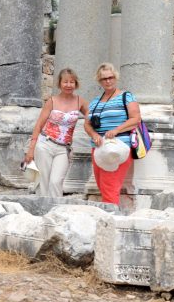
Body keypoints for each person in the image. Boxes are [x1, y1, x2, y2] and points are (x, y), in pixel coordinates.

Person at [23, 68, 89, 197]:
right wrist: (31, 150)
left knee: (56, 181)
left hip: (63, 148)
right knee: (43, 180)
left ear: (76, 84)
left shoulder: (80, 101)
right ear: (59, 84)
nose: (68, 85)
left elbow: (92, 117)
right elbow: (38, 126)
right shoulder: (52, 101)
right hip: (45, 144)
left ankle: (55, 209)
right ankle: (41, 210)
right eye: (65, 82)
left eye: (72, 82)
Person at [83, 63, 141, 205]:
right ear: (99, 81)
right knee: (103, 186)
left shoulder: (126, 97)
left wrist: (116, 130)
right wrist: (94, 135)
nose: (108, 81)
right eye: (104, 79)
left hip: (118, 146)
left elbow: (136, 119)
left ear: (116, 78)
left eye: (111, 77)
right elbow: (87, 124)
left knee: (109, 188)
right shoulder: (95, 102)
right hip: (98, 147)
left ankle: (111, 221)